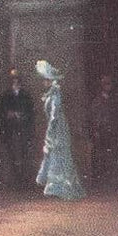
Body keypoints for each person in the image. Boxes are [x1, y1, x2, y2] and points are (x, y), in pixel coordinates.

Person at [34, 60, 85, 200]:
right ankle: (56, 188)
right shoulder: (51, 94)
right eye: (44, 80)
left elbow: (54, 115)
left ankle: (62, 189)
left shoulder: (56, 94)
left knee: (60, 157)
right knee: (54, 156)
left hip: (58, 129)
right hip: (56, 128)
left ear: (51, 80)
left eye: (46, 80)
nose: (44, 82)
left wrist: (51, 131)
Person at [0, 67, 35, 188]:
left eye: (17, 80)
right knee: (11, 154)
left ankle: (23, 181)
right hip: (10, 130)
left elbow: (30, 113)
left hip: (23, 129)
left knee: (24, 154)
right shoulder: (5, 96)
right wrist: (10, 114)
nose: (15, 82)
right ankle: (13, 181)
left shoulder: (26, 96)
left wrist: (22, 115)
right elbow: (1, 112)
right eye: (13, 80)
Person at [88, 74, 118, 185]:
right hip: (102, 131)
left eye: (109, 84)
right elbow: (95, 116)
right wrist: (96, 130)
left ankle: (110, 177)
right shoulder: (97, 101)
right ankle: (100, 179)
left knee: (111, 153)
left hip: (111, 130)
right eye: (106, 84)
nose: (108, 86)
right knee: (100, 154)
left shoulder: (114, 100)